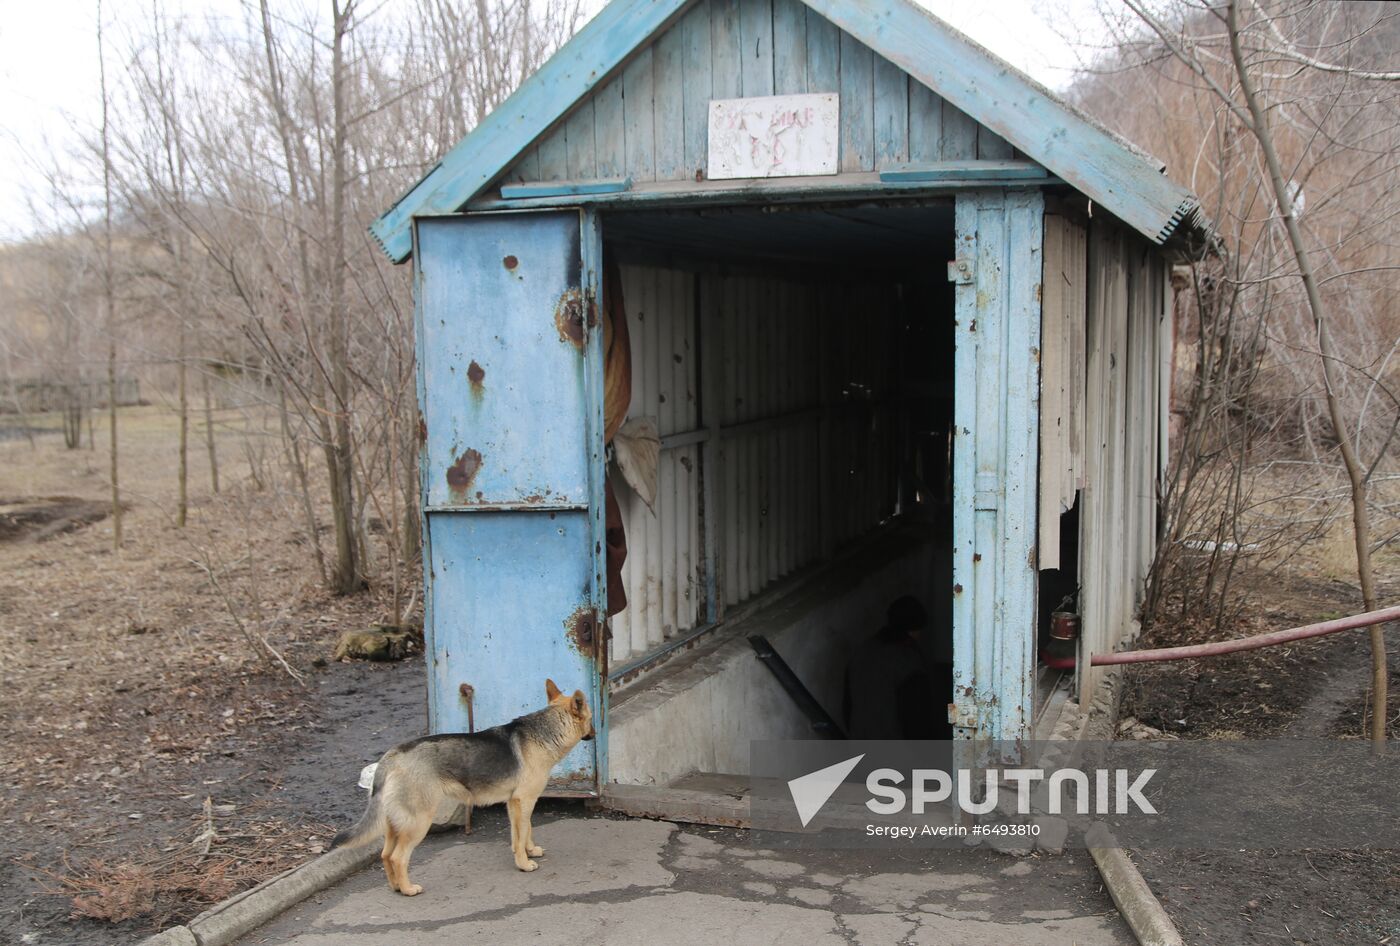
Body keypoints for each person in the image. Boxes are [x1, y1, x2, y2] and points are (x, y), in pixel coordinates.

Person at [844, 596, 945, 740]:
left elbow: (848, 708)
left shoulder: (862, 652)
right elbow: (916, 718)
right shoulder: (907, 661)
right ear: (914, 630)